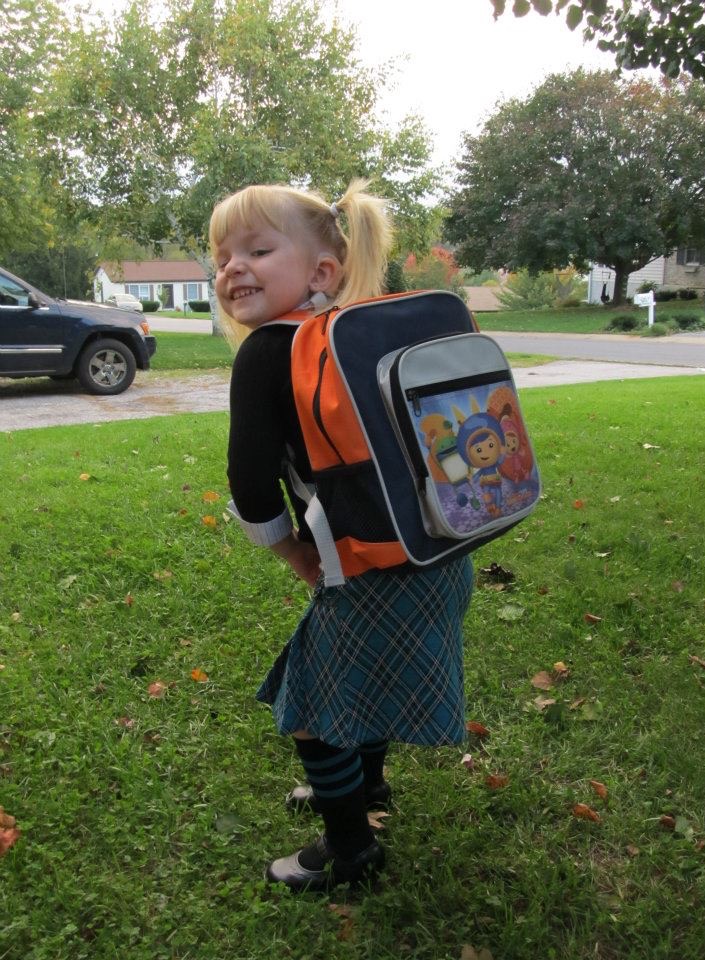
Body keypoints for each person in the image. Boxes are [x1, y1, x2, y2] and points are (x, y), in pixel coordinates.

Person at [210, 180, 474, 893]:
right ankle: (370, 788)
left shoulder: (268, 352)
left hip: (365, 567)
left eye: (257, 250)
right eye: (221, 255)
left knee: (316, 714)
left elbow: (248, 483)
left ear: (323, 270)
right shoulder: (366, 334)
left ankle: (351, 847)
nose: (233, 268)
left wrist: (291, 552)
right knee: (371, 683)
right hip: (444, 548)